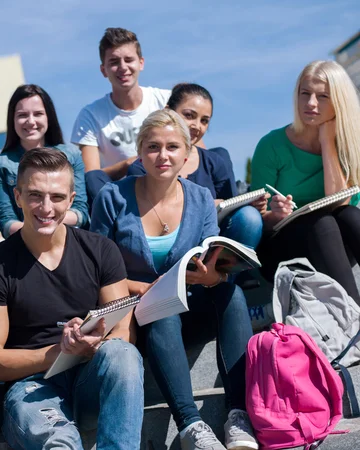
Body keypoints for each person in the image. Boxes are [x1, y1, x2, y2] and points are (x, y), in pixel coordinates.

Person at [90, 110, 258, 450]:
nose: (162, 156)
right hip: (138, 313)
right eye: (152, 147)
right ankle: (191, 425)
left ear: (186, 152)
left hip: (189, 302)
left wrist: (212, 274)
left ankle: (238, 414)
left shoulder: (199, 198)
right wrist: (146, 289)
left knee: (231, 295)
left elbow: (211, 250)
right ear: (139, 152)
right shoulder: (112, 198)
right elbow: (96, 269)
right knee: (162, 309)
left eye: (171, 147)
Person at [0, 148, 144, 449]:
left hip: (92, 380)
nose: (46, 208)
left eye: (57, 197)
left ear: (72, 198)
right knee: (60, 442)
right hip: (32, 388)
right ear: (17, 197)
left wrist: (91, 346)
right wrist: (60, 352)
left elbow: (123, 331)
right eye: (35, 195)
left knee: (122, 354)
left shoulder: (100, 250)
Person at [251, 60, 360, 304]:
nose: (311, 103)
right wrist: (275, 214)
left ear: (339, 102)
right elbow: (256, 222)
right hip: (281, 253)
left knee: (351, 215)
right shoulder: (271, 145)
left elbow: (339, 202)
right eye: (305, 94)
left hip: (335, 248)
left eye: (322, 96)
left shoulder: (349, 145)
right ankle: (356, 318)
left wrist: (327, 142)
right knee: (322, 221)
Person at [128, 83, 265, 249]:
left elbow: (232, 210)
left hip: (213, 245)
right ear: (167, 111)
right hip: (163, 242)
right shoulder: (144, 165)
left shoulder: (214, 162)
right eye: (189, 115)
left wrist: (250, 205)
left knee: (249, 217)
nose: (197, 126)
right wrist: (204, 205)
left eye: (204, 121)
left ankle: (228, 274)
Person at [70, 27, 171, 206]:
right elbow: (92, 175)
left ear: (141, 63)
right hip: (122, 197)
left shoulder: (165, 101)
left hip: (165, 183)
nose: (123, 67)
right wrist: (127, 165)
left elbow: (196, 152)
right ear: (103, 70)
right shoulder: (90, 115)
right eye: (114, 62)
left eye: (129, 60)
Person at [0, 84, 89, 238]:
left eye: (38, 114)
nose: (31, 121)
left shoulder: (72, 155)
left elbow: (80, 213)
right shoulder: (0, 165)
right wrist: (36, 229)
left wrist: (47, 222)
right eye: (22, 115)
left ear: (48, 116)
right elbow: (7, 222)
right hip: (25, 245)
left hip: (67, 238)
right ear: (12, 119)